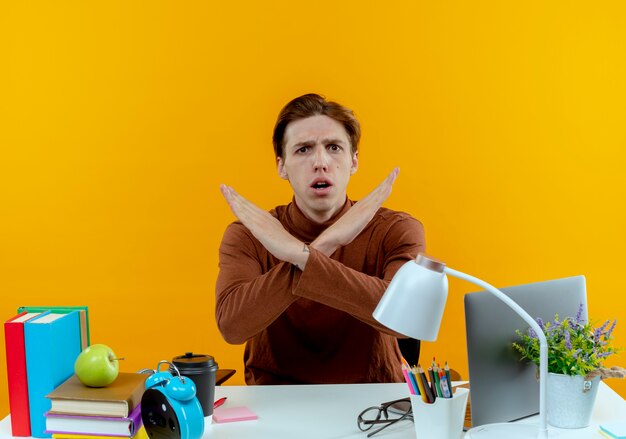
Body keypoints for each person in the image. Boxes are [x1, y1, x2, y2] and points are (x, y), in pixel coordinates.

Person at [216, 93, 425, 384]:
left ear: (353, 161)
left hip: (377, 402)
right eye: (303, 149)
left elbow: (407, 319)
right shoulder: (249, 233)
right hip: (275, 403)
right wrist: (327, 245)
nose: (320, 162)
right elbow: (232, 327)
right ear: (281, 166)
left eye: (334, 147)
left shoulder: (395, 229)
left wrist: (300, 255)